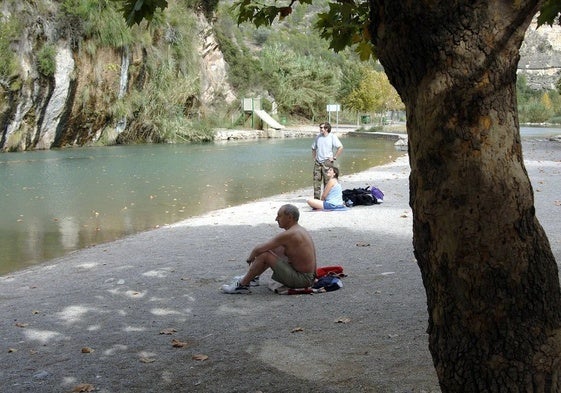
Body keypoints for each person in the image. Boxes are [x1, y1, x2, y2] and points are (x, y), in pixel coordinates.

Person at [222, 204, 317, 294]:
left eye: (279, 216)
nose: (276, 219)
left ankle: (243, 285)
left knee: (265, 254)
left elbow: (258, 250)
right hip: (308, 277)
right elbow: (269, 247)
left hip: (303, 279)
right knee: (274, 248)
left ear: (290, 217)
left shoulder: (291, 234)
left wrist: (250, 259)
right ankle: (253, 278)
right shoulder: (298, 230)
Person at [311, 122, 343, 199]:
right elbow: (313, 148)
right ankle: (317, 199)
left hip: (327, 162)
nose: (320, 129)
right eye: (320, 127)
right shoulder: (318, 137)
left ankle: (327, 198)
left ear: (327, 129)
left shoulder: (332, 137)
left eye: (322, 127)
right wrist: (314, 157)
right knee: (316, 181)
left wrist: (334, 157)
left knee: (328, 181)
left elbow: (340, 147)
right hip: (318, 162)